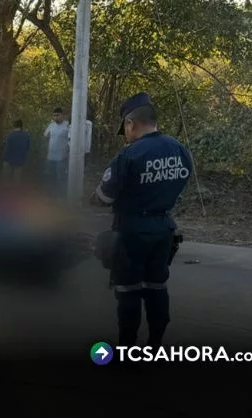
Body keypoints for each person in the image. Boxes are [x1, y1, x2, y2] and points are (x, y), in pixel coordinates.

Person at [90, 92, 193, 349]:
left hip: (132, 230)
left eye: (124, 128)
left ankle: (128, 348)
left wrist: (92, 198)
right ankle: (156, 344)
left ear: (130, 123)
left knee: (128, 290)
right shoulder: (179, 149)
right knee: (158, 287)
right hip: (164, 228)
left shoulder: (128, 156)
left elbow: (104, 197)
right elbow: (182, 179)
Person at [43, 107, 70, 195]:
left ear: (63, 115)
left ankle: (61, 198)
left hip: (61, 157)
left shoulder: (67, 125)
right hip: (50, 156)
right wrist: (50, 125)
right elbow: (46, 135)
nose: (56, 117)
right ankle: (51, 196)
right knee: (51, 177)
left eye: (57, 115)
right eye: (54, 115)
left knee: (61, 178)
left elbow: (71, 139)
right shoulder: (52, 125)